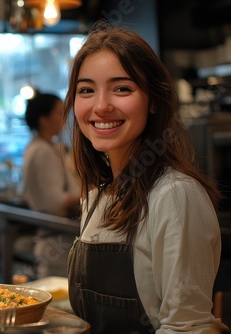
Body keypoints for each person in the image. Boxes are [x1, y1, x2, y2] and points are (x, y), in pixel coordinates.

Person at [64, 22, 226, 332]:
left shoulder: (175, 195)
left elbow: (186, 328)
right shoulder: (99, 193)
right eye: (86, 90)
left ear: (153, 100)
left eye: (122, 88)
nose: (101, 106)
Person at [22, 92, 80, 278]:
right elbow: (53, 200)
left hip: (56, 235)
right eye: (58, 112)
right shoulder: (42, 151)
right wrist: (91, 196)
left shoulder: (47, 146)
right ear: (43, 119)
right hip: (55, 236)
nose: (63, 117)